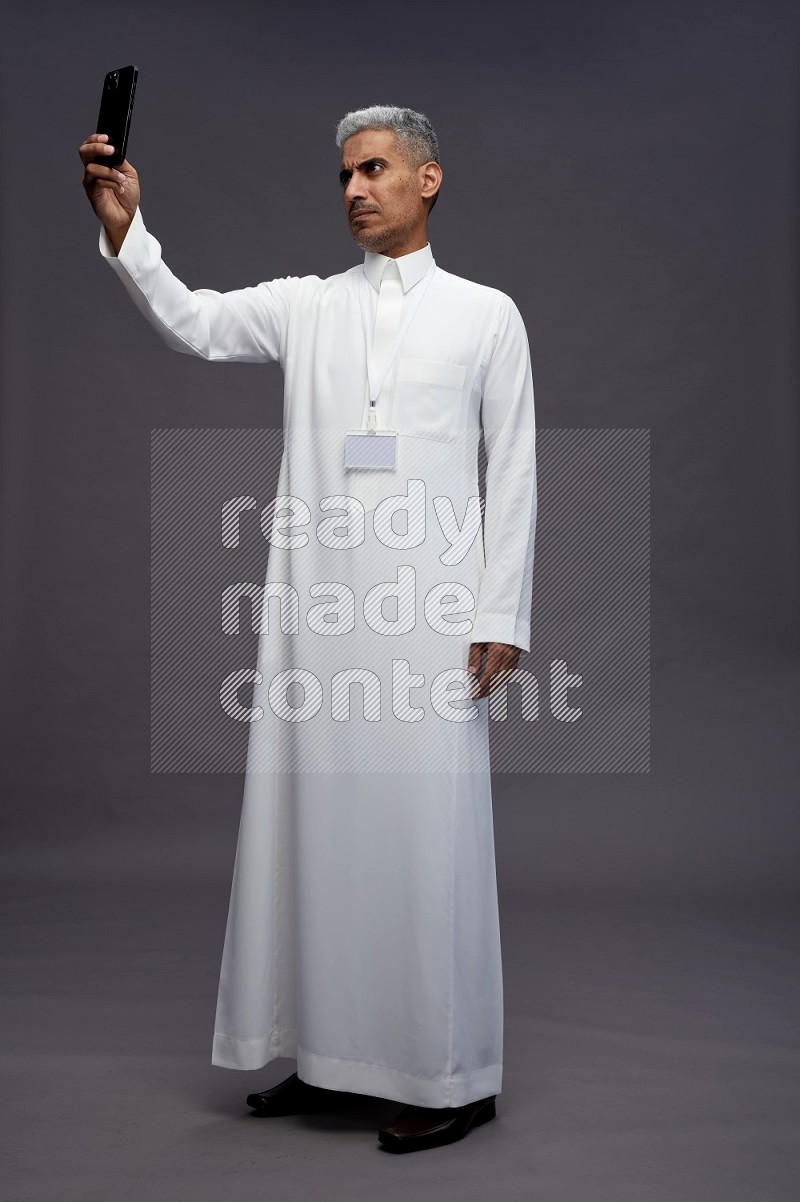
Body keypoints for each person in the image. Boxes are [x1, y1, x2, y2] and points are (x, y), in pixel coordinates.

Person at [79, 104, 537, 1154]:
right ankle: (331, 1055)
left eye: (373, 169)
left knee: (426, 842)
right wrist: (125, 229)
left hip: (425, 618)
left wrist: (498, 610)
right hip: (316, 619)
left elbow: (510, 469)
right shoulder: (306, 308)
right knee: (316, 832)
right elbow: (193, 320)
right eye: (342, 175)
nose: (353, 190)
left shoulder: (485, 315)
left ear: (427, 179)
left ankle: (449, 1072)